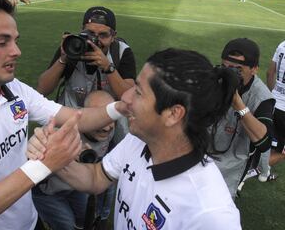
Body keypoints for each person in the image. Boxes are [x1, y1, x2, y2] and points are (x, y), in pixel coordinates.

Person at [0, 0, 127, 230]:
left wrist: (120, 106)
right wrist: (43, 165)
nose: (16, 51)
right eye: (2, 42)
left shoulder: (13, 89)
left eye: (15, 40)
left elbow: (75, 117)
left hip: (30, 222)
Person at [29, 48, 242, 229]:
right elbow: (96, 177)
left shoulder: (211, 214)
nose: (125, 97)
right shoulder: (138, 141)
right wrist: (52, 156)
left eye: (138, 92)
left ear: (173, 114)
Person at [37, 6, 136, 143]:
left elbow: (130, 98)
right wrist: (64, 58)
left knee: (126, 148)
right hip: (72, 114)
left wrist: (108, 67)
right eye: (90, 33)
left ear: (113, 36)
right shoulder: (73, 45)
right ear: (82, 30)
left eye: (103, 35)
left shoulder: (121, 52)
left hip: (108, 117)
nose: (95, 40)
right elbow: (42, 90)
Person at [31, 90, 116, 230]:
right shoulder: (60, 133)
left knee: (85, 221)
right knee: (66, 226)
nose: (107, 127)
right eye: (100, 118)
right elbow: (32, 171)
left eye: (110, 118)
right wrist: (65, 157)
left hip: (77, 187)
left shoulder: (113, 131)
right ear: (88, 116)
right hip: (47, 192)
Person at [213, 38, 275, 198]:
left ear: (254, 69)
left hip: (230, 167)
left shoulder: (261, 96)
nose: (229, 74)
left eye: (237, 70)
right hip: (199, 154)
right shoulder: (214, 80)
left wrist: (238, 104)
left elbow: (264, 142)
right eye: (225, 68)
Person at [266, 40, 285, 167]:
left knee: (273, 144)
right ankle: (248, 173)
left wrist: (273, 94)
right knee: (282, 151)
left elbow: (270, 73)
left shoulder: (282, 45)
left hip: (273, 104)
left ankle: (264, 173)